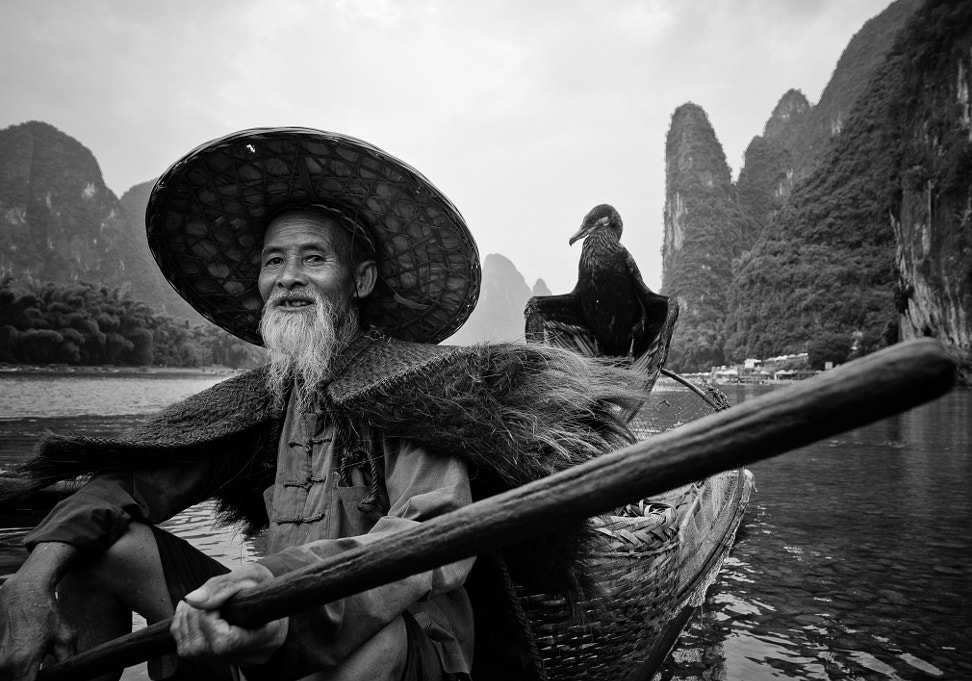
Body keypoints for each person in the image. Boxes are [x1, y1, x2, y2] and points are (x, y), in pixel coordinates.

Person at [0, 128, 639, 681]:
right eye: (273, 261)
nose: (288, 277)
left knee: (378, 638)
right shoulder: (262, 401)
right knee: (93, 553)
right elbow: (124, 486)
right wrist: (32, 581)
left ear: (358, 281)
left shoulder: (423, 389)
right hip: (265, 622)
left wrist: (278, 597)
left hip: (396, 644)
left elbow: (431, 536)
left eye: (313, 258)